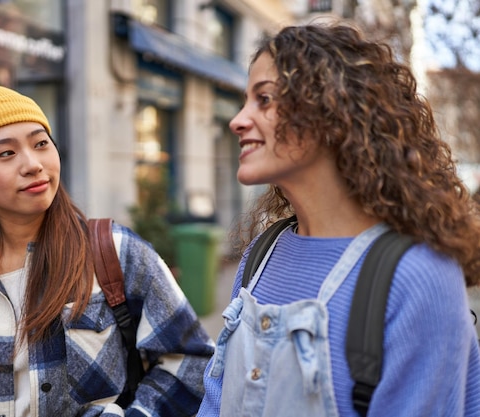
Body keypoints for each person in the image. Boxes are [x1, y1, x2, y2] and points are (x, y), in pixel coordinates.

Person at [0, 76, 214, 417]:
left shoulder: (115, 253)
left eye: (41, 144)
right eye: (6, 153)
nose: (33, 164)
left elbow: (192, 361)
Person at [197, 22, 480, 417]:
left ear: (330, 111)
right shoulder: (260, 257)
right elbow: (215, 400)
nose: (238, 120)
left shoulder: (419, 276)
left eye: (264, 99)